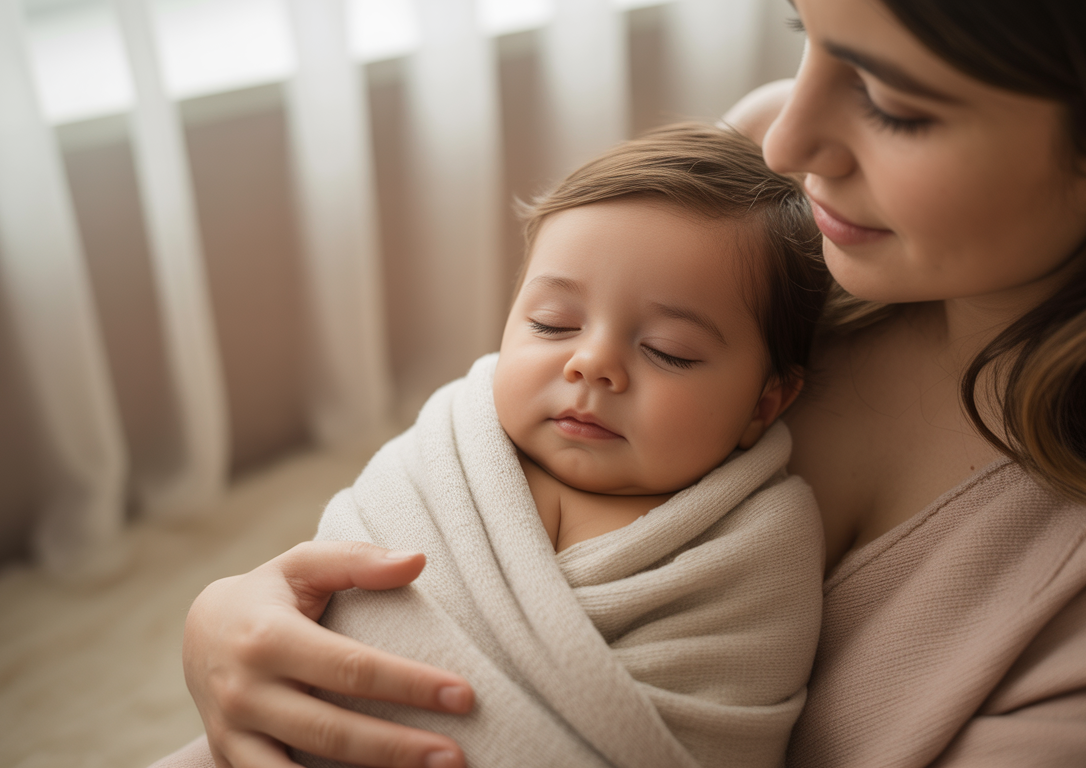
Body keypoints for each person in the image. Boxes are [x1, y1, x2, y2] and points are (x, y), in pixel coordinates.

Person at [172, 1, 1086, 766]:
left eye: (894, 104)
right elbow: (473, 489)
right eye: (799, 32)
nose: (787, 137)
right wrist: (248, 616)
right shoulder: (767, 202)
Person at [281, 124, 826, 768]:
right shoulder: (446, 448)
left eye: (667, 352)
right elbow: (322, 593)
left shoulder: (757, 545)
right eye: (552, 324)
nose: (592, 365)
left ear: (763, 403)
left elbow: (716, 733)